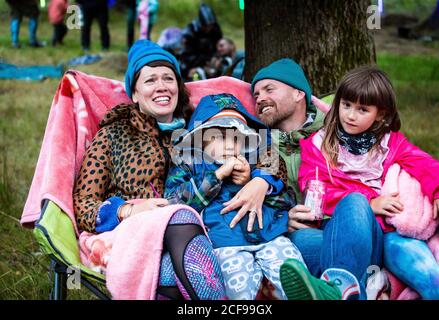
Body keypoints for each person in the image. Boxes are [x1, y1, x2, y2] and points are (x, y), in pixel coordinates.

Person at [73, 40, 227, 300]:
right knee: (180, 218)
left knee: (183, 270)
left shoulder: (197, 132)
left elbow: (257, 145)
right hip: (127, 238)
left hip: (190, 240)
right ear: (134, 93)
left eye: (168, 78)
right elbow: (83, 205)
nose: (161, 86)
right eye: (150, 80)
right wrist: (127, 209)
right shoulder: (113, 135)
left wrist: (262, 182)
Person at [285, 65, 439, 300]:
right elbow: (313, 185)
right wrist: (370, 201)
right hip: (334, 230)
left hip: (375, 237)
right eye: (346, 105)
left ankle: (338, 289)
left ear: (380, 114)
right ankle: (350, 291)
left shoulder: (390, 144)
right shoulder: (317, 145)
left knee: (354, 202)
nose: (350, 115)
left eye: (362, 109)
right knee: (301, 241)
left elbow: (428, 166)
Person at [165, 93, 308, 299]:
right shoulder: (191, 165)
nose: (230, 145)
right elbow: (174, 202)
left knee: (292, 272)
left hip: (271, 237)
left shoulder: (255, 165)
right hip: (225, 245)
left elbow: (287, 199)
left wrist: (254, 182)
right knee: (239, 291)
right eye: (220, 138)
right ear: (202, 140)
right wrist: (217, 176)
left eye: (236, 138)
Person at [250, 58, 368, 300]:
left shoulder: (337, 131)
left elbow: (395, 158)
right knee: (305, 241)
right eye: (256, 94)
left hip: (351, 223)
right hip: (305, 233)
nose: (260, 98)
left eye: (269, 89)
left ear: (298, 93)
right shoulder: (260, 146)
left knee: (355, 202)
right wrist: (283, 219)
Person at [180, 3, 223, 81]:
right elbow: (185, 56)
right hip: (194, 64)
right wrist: (204, 63)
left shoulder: (215, 29)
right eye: (207, 26)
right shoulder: (190, 31)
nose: (209, 28)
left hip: (210, 62)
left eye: (211, 26)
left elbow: (218, 47)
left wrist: (217, 58)